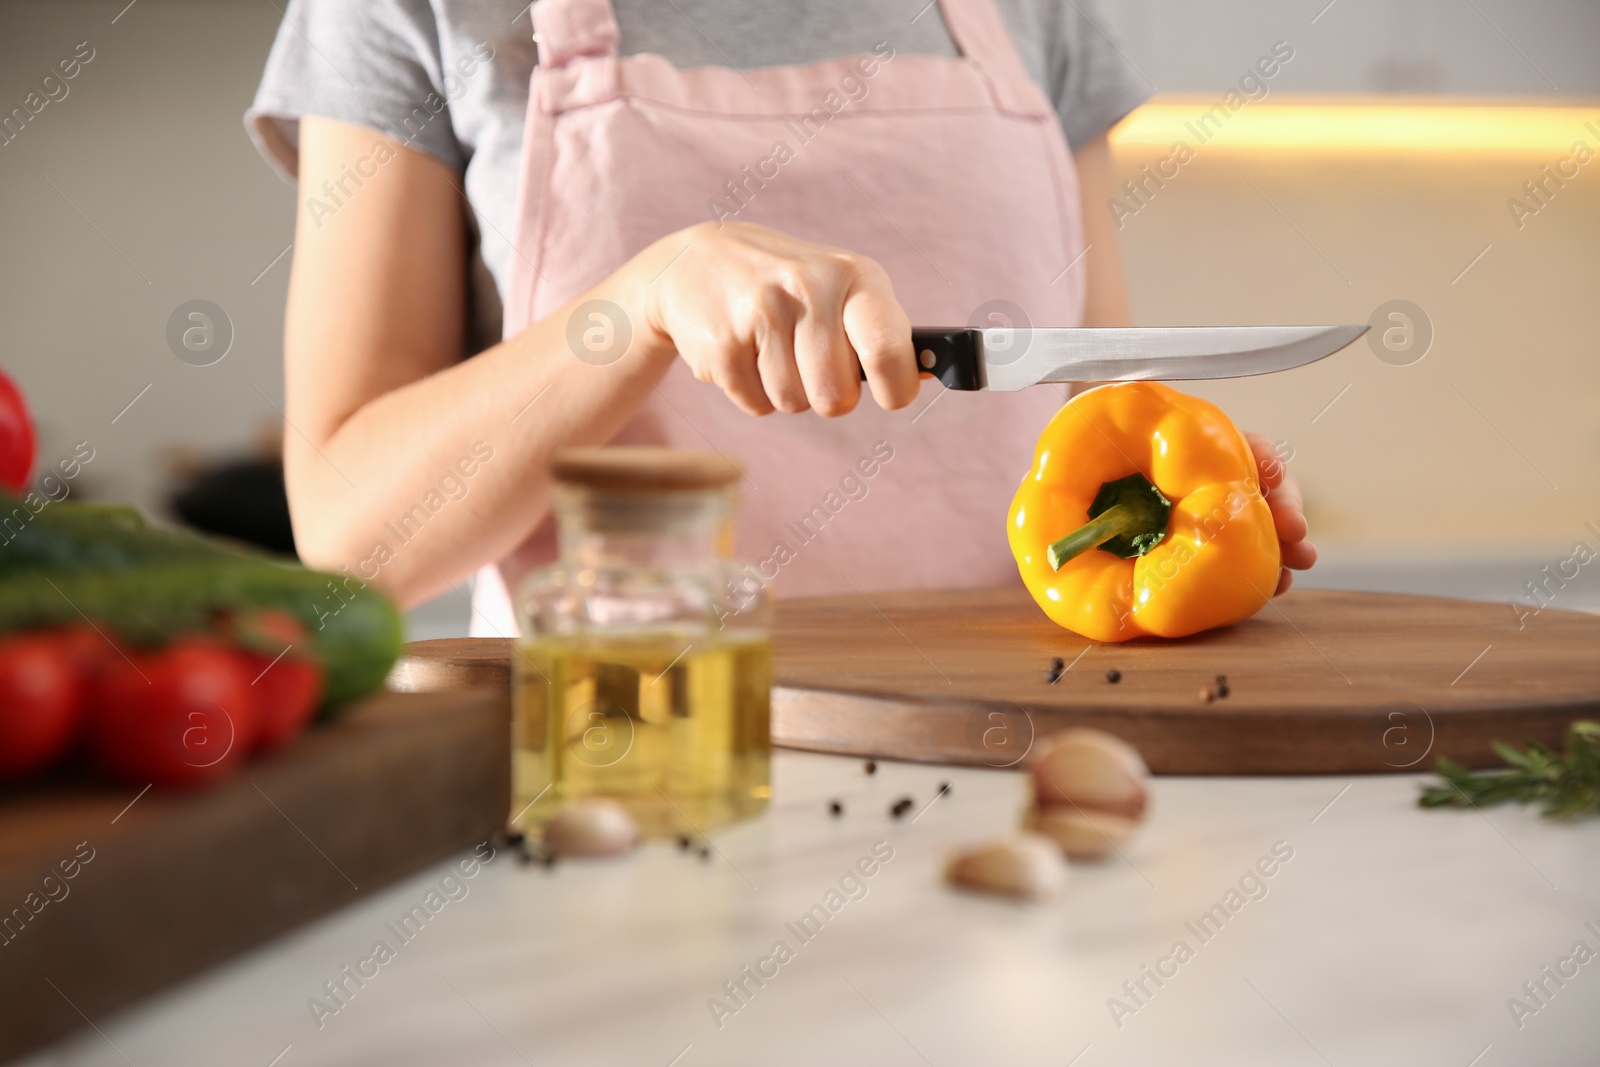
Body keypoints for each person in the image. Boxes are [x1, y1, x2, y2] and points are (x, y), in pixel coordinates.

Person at [247, 0, 1315, 637]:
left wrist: (1186, 514)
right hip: (634, 766)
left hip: (1010, 746)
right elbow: (351, 537)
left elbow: (1099, 411)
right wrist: (638, 304)